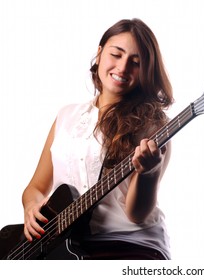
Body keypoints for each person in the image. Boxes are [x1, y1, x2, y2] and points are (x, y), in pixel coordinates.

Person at [21, 18, 174, 260]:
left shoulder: (153, 124)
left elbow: (136, 213)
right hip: (66, 244)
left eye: (135, 63)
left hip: (127, 244)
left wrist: (149, 173)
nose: (123, 68)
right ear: (100, 53)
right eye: (116, 54)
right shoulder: (66, 115)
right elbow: (36, 188)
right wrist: (31, 207)